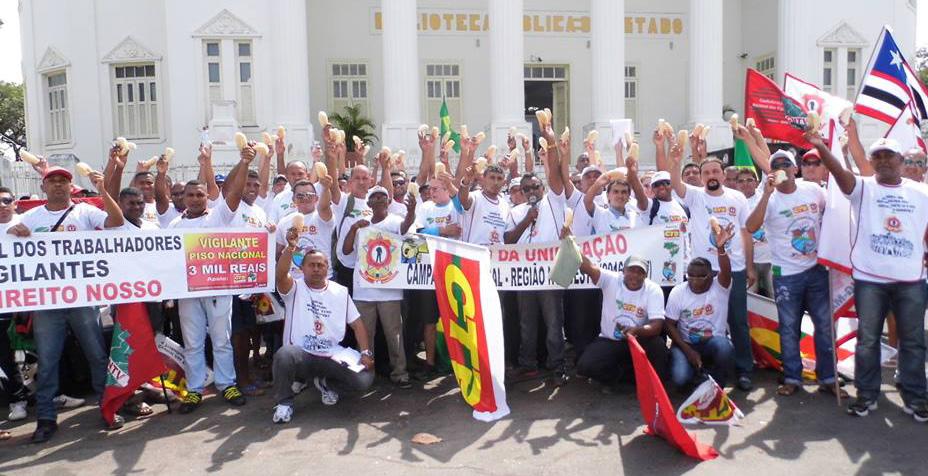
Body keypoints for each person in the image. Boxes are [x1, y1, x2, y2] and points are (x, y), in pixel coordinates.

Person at [809, 134, 928, 421]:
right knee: (868, 340)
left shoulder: (921, 192)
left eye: (890, 156)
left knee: (913, 340)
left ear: (901, 162)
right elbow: (839, 173)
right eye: (879, 156)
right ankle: (867, 395)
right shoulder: (862, 187)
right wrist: (822, 148)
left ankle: (915, 396)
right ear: (872, 162)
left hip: (911, 278)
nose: (885, 161)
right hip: (870, 278)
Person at [7, 166, 125, 443]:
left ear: (71, 187)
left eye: (64, 181)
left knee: (96, 354)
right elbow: (9, 237)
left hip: (83, 299)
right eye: (53, 181)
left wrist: (104, 192)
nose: (59, 185)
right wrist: (15, 230)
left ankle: (107, 408)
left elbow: (117, 222)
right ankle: (46, 418)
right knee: (48, 361)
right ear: (43, 187)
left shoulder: (85, 212)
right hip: (47, 301)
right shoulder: (31, 216)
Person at [161, 144, 256, 414]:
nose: (193, 198)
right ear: (183, 198)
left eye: (199, 194)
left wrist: (244, 163)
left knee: (221, 339)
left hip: (217, 288)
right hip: (187, 292)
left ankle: (227, 384)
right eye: (189, 195)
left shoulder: (218, 217)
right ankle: (195, 389)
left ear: (207, 196)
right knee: (192, 343)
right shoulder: (175, 226)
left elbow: (235, 193)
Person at [745, 149, 842, 397]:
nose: (782, 169)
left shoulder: (813, 190)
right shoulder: (768, 199)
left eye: (786, 164)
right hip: (786, 274)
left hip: (817, 270)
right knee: (789, 327)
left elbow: (834, 214)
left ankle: (829, 377)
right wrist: (765, 195)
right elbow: (751, 226)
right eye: (776, 166)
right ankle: (792, 377)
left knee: (824, 325)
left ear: (794, 168)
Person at [670, 143, 756, 391]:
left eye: (715, 172)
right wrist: (675, 160)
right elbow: (676, 183)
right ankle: (706, 368)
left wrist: (750, 267)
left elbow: (745, 233)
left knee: (738, 320)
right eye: (706, 173)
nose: (711, 176)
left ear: (723, 173)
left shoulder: (737, 197)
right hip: (704, 272)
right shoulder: (696, 196)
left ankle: (744, 370)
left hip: (735, 268)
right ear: (702, 176)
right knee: (706, 318)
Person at [271, 244, 374, 424]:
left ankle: (325, 383)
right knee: (284, 355)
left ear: (328, 268)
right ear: (302, 268)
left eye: (321, 265)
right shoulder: (294, 288)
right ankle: (284, 403)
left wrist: (365, 353)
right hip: (301, 355)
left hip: (331, 355)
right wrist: (289, 249)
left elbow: (357, 324)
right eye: (311, 265)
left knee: (364, 379)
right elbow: (280, 275)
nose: (316, 269)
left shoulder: (340, 292)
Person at [504, 115, 569, 385]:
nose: (531, 190)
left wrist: (550, 140)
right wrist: (526, 220)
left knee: (554, 323)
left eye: (535, 187)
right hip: (524, 275)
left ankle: (557, 367)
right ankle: (528, 365)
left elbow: (554, 173)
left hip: (550, 273)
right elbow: (508, 240)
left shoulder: (554, 202)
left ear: (543, 188)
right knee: (526, 323)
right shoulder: (517, 210)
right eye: (526, 187)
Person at [341, 182, 416, 389]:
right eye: (375, 197)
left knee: (394, 333)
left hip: (390, 290)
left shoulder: (395, 221)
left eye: (383, 196)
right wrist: (355, 228)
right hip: (363, 290)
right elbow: (346, 251)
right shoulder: (360, 223)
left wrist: (411, 211)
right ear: (369, 202)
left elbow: (406, 227)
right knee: (365, 335)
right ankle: (366, 372)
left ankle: (399, 372)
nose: (379, 199)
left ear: (389, 201)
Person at [576, 254, 668, 390]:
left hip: (638, 339)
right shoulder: (611, 279)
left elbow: (657, 326)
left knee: (659, 347)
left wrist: (636, 331)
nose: (635, 275)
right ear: (623, 271)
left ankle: (648, 385)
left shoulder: (653, 290)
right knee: (585, 366)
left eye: (640, 272)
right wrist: (570, 241)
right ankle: (625, 379)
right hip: (610, 340)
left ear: (646, 275)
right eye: (631, 270)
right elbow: (586, 266)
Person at [664, 225, 735, 390]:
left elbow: (726, 270)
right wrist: (688, 351)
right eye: (691, 275)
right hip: (685, 344)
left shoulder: (720, 287)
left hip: (713, 343)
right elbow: (669, 325)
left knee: (724, 347)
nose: (695, 280)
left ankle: (716, 385)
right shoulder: (678, 292)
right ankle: (698, 377)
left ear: (711, 275)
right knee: (680, 379)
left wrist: (721, 248)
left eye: (701, 276)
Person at [0, 187, 30, 435]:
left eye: (6, 200)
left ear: (15, 203)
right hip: (2, 306)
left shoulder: (28, 223)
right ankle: (17, 400)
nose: (1, 205)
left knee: (44, 352)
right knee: (6, 357)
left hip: (30, 304)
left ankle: (54, 394)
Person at [738, 169, 773, 297]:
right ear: (736, 185)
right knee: (751, 300)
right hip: (748, 263)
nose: (745, 183)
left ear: (757, 182)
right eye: (741, 181)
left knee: (774, 298)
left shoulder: (765, 196)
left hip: (771, 260)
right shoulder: (734, 203)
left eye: (749, 180)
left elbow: (767, 165)